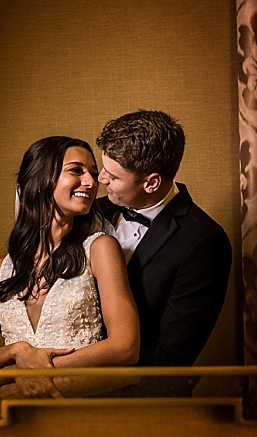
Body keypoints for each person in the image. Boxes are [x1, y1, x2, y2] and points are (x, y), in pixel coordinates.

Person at [0, 136, 139, 415]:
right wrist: (16, 351)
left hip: (71, 412)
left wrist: (27, 377)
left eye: (93, 174)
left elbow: (125, 347)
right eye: (76, 170)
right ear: (41, 177)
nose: (92, 182)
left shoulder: (99, 249)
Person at [94, 110, 232, 367]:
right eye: (104, 169)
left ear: (152, 183)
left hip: (137, 398)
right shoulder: (92, 212)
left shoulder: (204, 242)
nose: (101, 179)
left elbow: (171, 357)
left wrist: (76, 377)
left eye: (112, 176)